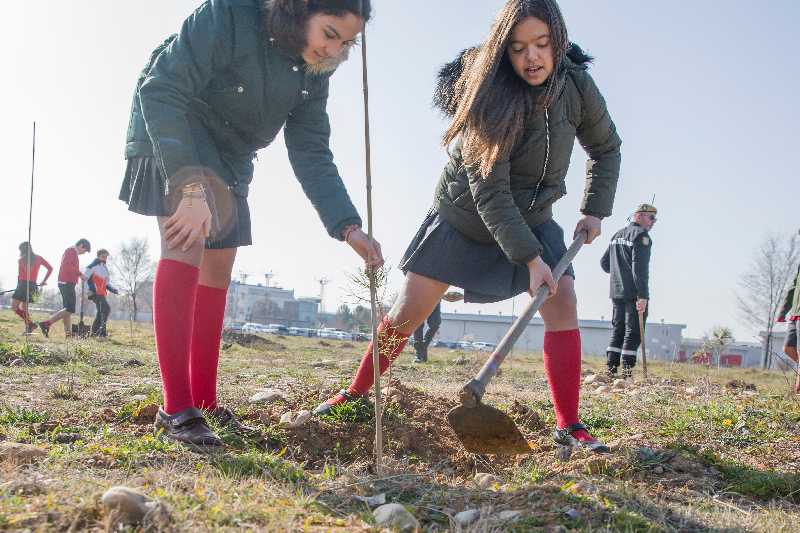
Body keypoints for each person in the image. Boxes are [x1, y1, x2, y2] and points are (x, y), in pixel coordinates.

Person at [316, 0, 621, 454]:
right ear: (504, 52)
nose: (531, 58)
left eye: (541, 45)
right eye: (518, 49)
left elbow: (606, 147)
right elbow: (490, 191)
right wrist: (532, 259)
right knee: (408, 311)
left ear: (557, 41)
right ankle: (358, 393)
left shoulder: (576, 85)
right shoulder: (487, 95)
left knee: (564, 301)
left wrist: (594, 208)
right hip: (466, 216)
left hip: (534, 216)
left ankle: (569, 424)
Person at [119, 0, 382, 450]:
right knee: (187, 240)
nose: (334, 50)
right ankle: (177, 408)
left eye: (347, 42)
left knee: (219, 264)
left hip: (230, 153)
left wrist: (347, 225)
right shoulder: (228, 14)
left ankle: (203, 396)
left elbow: (311, 150)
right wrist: (189, 189)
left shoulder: (314, 72)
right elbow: (161, 90)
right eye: (330, 33)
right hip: (175, 128)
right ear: (302, 11)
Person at [600, 204, 656, 379]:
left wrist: (619, 271)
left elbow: (604, 264)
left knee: (618, 329)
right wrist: (643, 296)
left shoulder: (617, 235)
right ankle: (627, 372)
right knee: (634, 332)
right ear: (638, 216)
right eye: (651, 218)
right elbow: (640, 270)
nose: (653, 222)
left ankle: (610, 369)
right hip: (634, 293)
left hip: (616, 291)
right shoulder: (642, 237)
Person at [38, 239, 91, 338]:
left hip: (66, 283)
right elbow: (68, 267)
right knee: (70, 309)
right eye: (85, 251)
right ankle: (46, 324)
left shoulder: (71, 252)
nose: (84, 253)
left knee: (67, 310)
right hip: (66, 283)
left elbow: (70, 267)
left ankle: (68, 335)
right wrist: (80, 274)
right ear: (82, 246)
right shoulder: (71, 251)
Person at [12, 242, 53, 334]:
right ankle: (29, 326)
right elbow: (50, 268)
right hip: (32, 285)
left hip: (22, 285)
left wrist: (18, 287)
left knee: (14, 307)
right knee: (24, 308)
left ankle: (30, 324)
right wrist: (43, 281)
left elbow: (20, 276)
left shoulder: (21, 260)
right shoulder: (38, 258)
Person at [778, 239, 800, 393]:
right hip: (795, 313)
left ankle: (798, 389)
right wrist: (783, 311)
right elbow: (793, 287)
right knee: (787, 348)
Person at [85, 249, 119, 337]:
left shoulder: (104, 268)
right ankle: (101, 332)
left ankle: (95, 332)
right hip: (94, 292)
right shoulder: (93, 265)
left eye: (106, 257)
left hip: (101, 292)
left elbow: (106, 283)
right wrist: (89, 290)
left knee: (101, 311)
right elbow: (85, 278)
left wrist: (113, 290)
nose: (105, 258)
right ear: (98, 256)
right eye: (103, 256)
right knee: (106, 309)